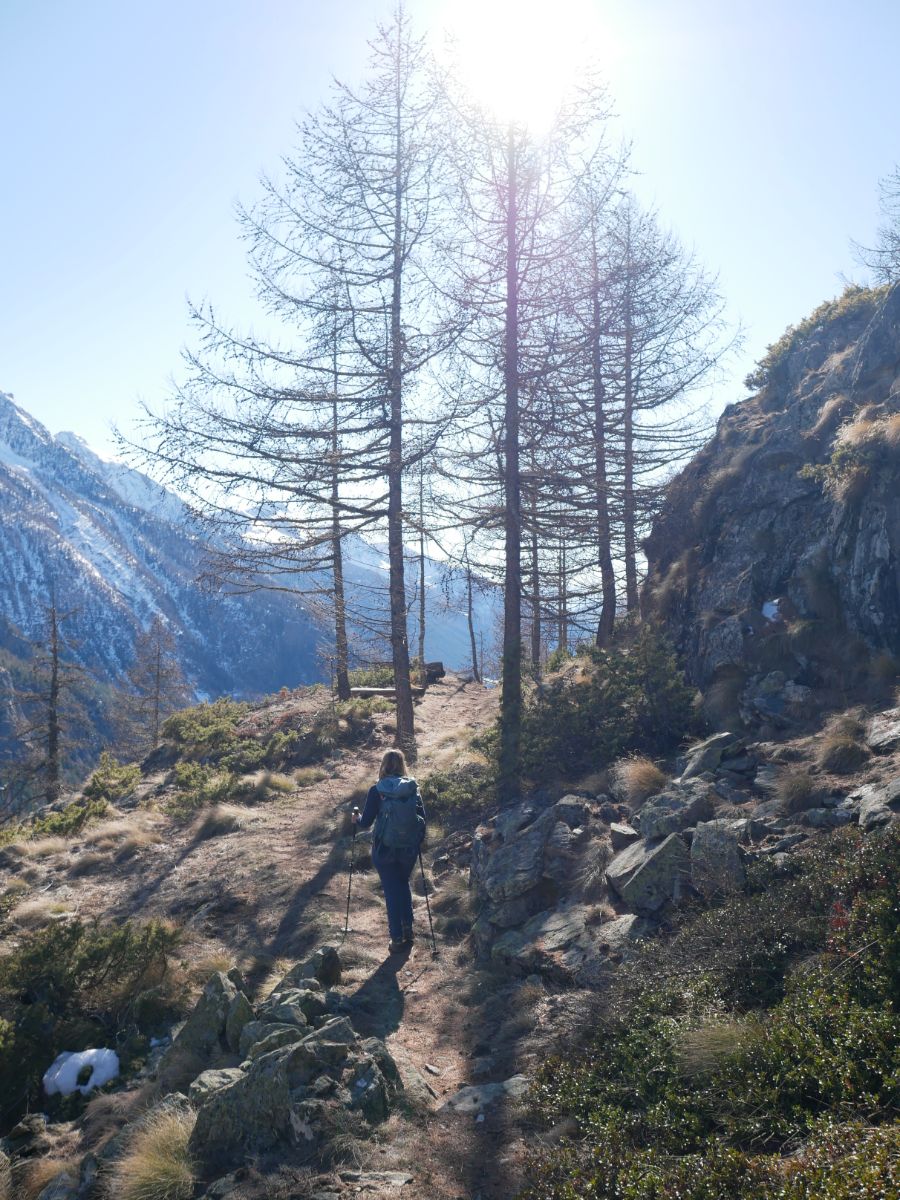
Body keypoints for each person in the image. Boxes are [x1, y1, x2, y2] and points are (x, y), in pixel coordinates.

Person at [352, 749, 426, 953]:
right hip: (408, 849)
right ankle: (408, 930)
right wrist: (416, 841)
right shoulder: (412, 788)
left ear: (383, 765)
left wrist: (355, 819)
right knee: (403, 885)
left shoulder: (377, 790)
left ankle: (397, 937)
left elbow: (366, 822)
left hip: (384, 849)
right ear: (402, 765)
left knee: (391, 891)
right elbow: (422, 820)